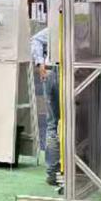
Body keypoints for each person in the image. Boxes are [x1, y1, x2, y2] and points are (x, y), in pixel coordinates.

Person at [31, 24, 60, 187]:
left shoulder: (60, 23)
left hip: (49, 70)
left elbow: (36, 39)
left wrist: (40, 62)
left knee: (52, 124)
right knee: (73, 122)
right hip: (68, 72)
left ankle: (52, 173)